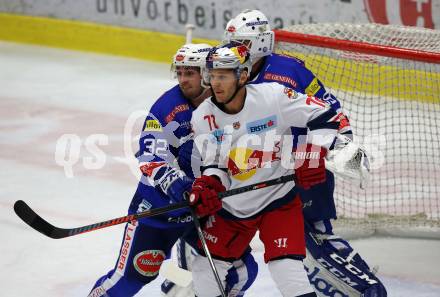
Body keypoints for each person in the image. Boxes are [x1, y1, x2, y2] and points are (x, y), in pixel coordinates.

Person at [223, 9, 387, 297]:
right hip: (260, 175)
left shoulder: (290, 71)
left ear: (260, 42)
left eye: (242, 43)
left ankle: (366, 289)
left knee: (316, 235)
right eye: (232, 42)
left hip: (304, 171)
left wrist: (337, 147)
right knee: (232, 232)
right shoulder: (231, 73)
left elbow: (330, 111)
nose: (235, 49)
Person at [88, 43, 257, 297]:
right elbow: (149, 156)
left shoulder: (228, 102)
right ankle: (178, 282)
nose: (182, 80)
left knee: (239, 270)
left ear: (207, 74)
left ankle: (181, 285)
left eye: (189, 73)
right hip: (160, 211)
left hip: (205, 209)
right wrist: (177, 184)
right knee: (131, 279)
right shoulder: (167, 107)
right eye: (179, 72)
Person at [188, 42, 340, 297]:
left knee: (287, 269)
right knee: (205, 268)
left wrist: (314, 152)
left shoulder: (274, 97)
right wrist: (209, 186)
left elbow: (325, 114)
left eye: (223, 76)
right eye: (212, 75)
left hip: (278, 200)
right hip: (233, 207)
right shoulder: (203, 117)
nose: (215, 83)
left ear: (243, 75)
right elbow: (216, 166)